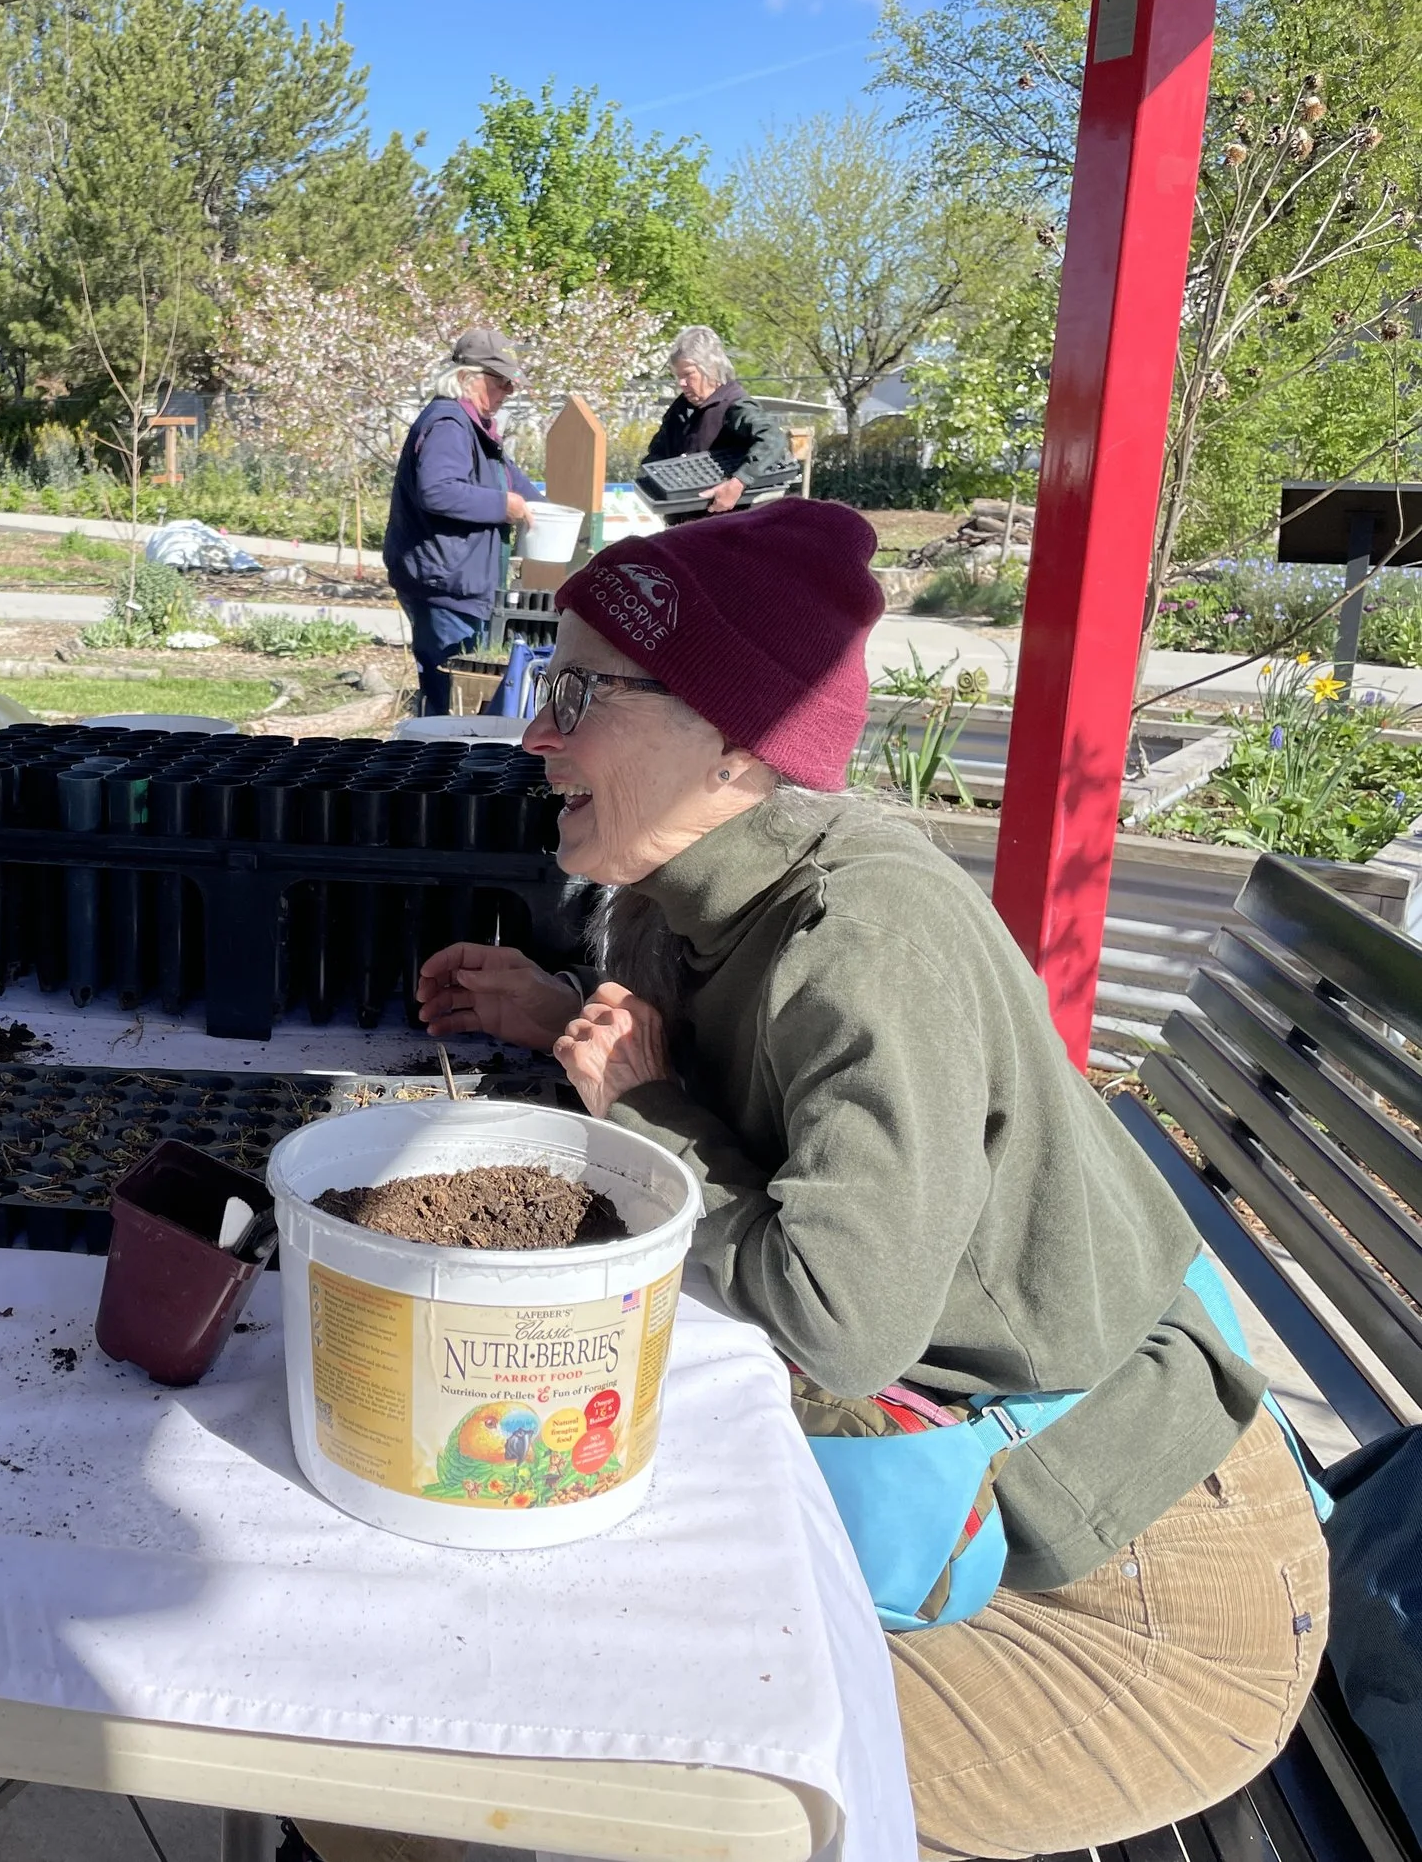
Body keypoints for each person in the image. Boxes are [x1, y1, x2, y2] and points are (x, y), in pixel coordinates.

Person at [407, 499, 1326, 1861]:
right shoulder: (682, 896)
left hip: (1128, 1589)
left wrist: (645, 1103)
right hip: (961, 1501)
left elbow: (839, 1317)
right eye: (549, 678)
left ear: (735, 738)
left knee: (544, 1772)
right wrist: (563, 1021)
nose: (535, 727)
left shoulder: (864, 935)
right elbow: (739, 1110)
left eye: (582, 690)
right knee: (475, 1713)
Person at [382, 327, 546, 716]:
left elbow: (514, 484)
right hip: (442, 584)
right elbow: (437, 491)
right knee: (449, 702)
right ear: (468, 378)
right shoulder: (449, 423)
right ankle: (438, 768)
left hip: (458, 582)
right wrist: (503, 506)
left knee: (461, 697)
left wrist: (553, 513)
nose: (509, 392)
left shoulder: (477, 427)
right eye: (502, 382)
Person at [642, 325, 790, 522]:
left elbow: (772, 438)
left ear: (710, 368)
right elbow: (657, 453)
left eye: (688, 375)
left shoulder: (735, 405)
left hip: (725, 526)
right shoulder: (681, 409)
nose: (681, 383)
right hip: (681, 526)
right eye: (678, 376)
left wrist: (738, 483)